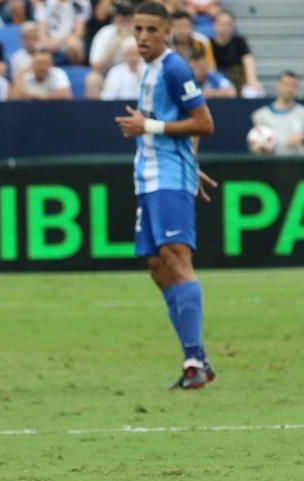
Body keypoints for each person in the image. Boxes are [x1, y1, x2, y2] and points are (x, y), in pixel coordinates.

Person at [113, 1, 217, 389]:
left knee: (176, 259)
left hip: (166, 178)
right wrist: (191, 163)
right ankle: (198, 359)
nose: (142, 37)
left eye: (151, 30)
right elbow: (182, 128)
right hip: (153, 177)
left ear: (167, 31)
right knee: (158, 267)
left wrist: (148, 126)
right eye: (137, 29)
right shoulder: (151, 69)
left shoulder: (174, 68)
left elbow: (204, 123)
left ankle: (195, 360)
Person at [251, 71, 304, 156]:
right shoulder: (260, 115)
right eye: (286, 85)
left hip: (298, 165)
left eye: (294, 86)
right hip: (271, 166)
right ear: (278, 85)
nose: (290, 89)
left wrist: (301, 138)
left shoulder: (302, 113)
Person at [210, 10, 261, 95]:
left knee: (254, 93)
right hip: (216, 83)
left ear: (233, 26)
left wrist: (252, 80)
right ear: (214, 25)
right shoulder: (208, 43)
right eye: (222, 24)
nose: (225, 27)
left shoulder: (239, 42)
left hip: (238, 82)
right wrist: (222, 85)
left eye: (228, 24)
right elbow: (210, 70)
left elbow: (248, 60)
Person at [35, 0, 89, 65]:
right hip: (48, 42)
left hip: (67, 41)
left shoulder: (80, 3)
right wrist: (49, 44)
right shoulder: (45, 3)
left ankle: (75, 71)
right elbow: (41, 34)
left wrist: (57, 42)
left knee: (74, 45)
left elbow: (78, 33)